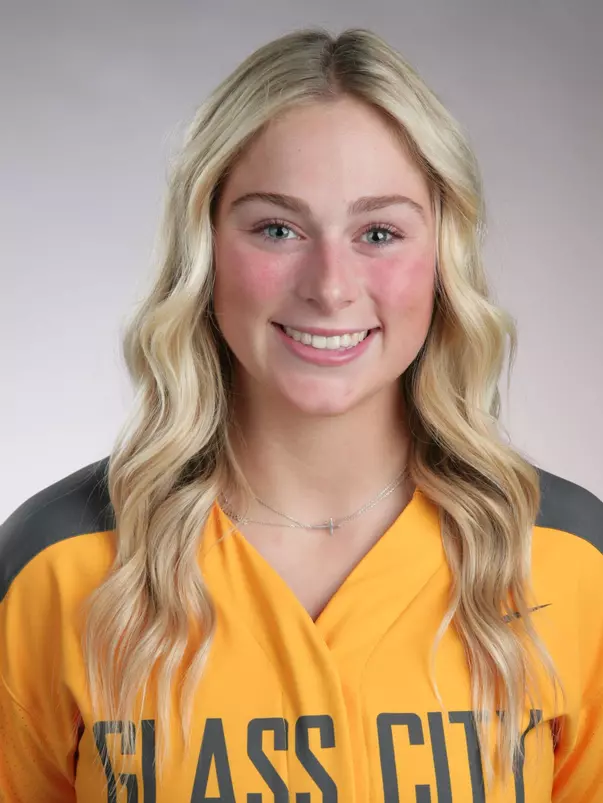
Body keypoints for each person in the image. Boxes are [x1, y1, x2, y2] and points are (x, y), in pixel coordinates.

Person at [0, 26, 602, 803]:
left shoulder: (569, 558)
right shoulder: (61, 565)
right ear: (205, 247)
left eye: (378, 232)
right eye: (276, 228)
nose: (329, 285)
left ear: (442, 257)